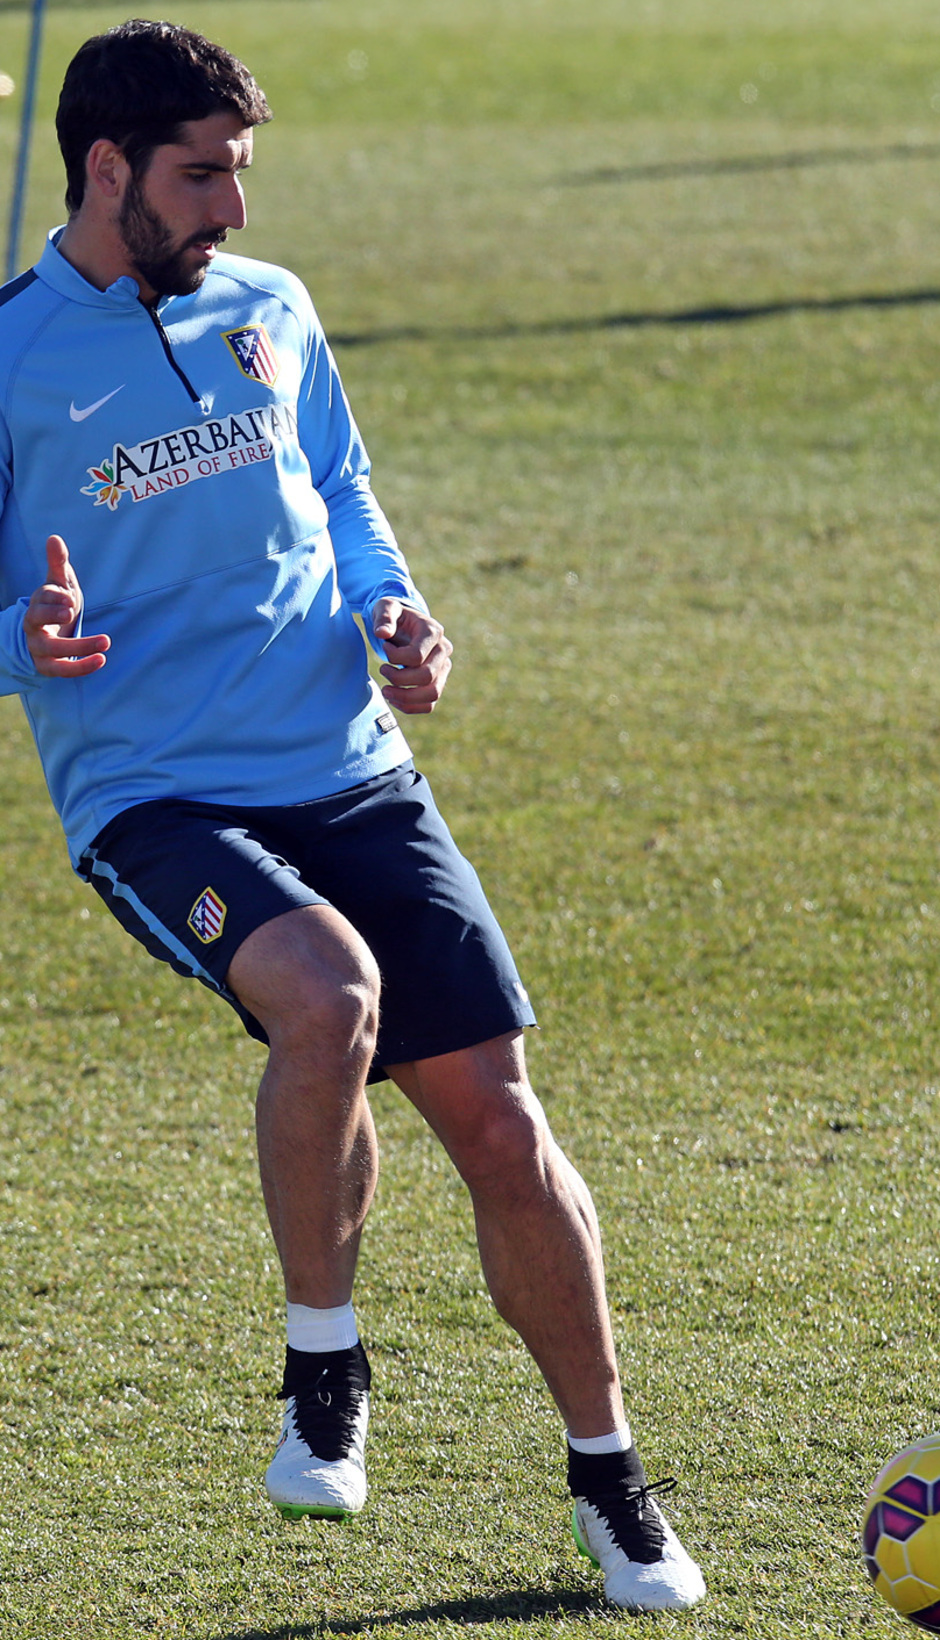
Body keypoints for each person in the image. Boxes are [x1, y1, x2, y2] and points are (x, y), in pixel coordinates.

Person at [0, 19, 705, 1614]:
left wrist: (404, 616)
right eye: (203, 176)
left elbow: (344, 484)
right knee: (330, 1000)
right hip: (158, 798)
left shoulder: (275, 308)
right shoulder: (9, 359)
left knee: (506, 1132)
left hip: (354, 765)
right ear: (107, 168)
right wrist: (19, 643)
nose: (235, 211)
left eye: (243, 172)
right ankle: (326, 1370)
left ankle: (612, 1483)